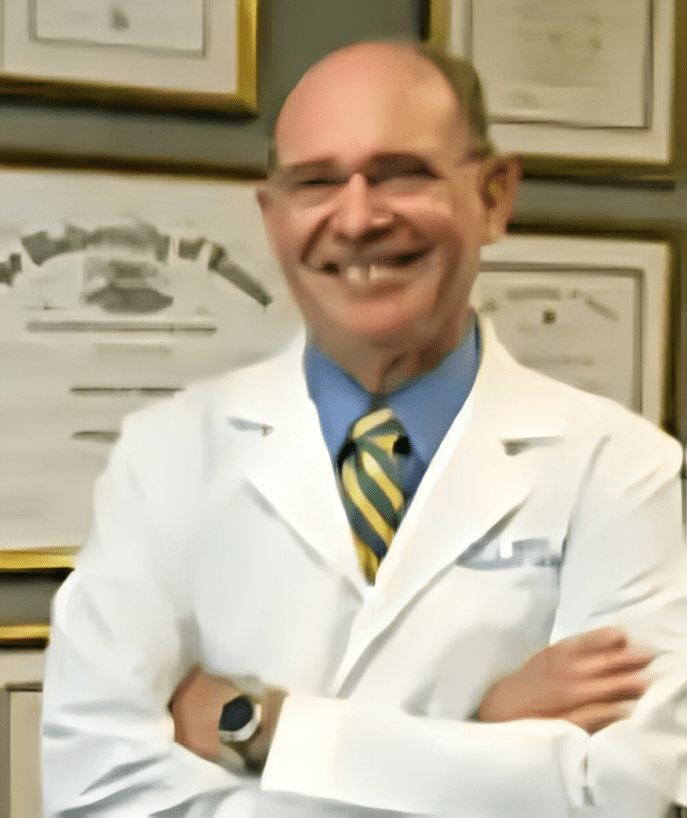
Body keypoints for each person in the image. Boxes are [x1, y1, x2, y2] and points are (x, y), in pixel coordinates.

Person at [42, 41, 687, 817]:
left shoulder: (619, 469)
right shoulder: (164, 456)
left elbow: (620, 794)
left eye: (401, 173)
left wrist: (259, 732)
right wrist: (486, 730)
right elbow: (100, 793)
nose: (356, 218)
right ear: (272, 218)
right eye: (315, 182)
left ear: (492, 196)